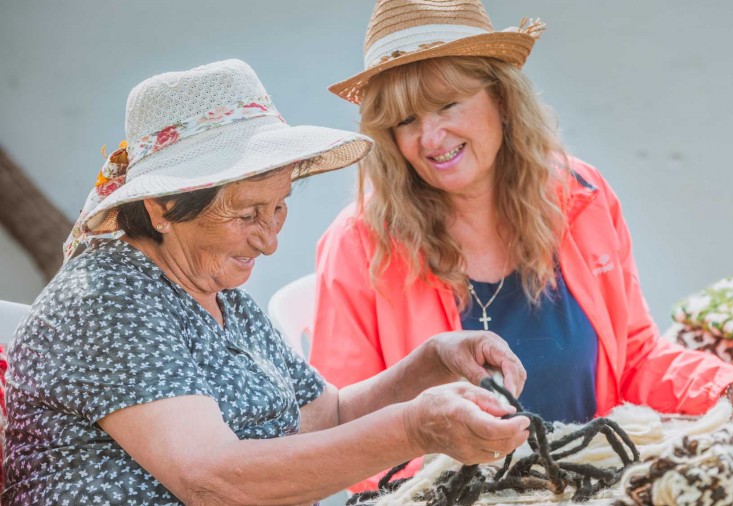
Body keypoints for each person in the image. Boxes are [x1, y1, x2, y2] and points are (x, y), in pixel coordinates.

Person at [309, 0, 733, 486]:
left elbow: (637, 359)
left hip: (595, 481)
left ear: (500, 99)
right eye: (406, 120)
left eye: (448, 104)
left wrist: (729, 388)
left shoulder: (580, 195)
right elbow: (343, 437)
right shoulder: (359, 247)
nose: (431, 138)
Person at [1, 59, 531, 505]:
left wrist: (431, 363)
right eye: (247, 213)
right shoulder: (107, 298)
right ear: (163, 208)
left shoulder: (220, 295)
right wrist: (414, 429)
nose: (269, 240)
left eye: (278, 208)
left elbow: (329, 417)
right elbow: (208, 478)